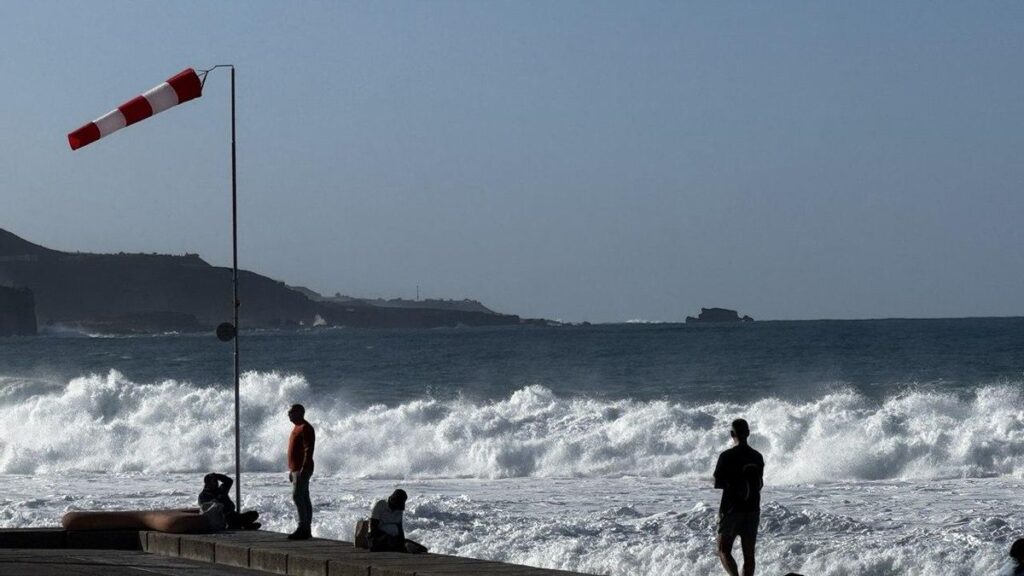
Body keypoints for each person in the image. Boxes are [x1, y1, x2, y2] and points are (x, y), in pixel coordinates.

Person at [713, 418, 764, 576]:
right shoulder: (757, 456)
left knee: (723, 550)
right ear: (748, 433)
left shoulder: (727, 456)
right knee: (749, 557)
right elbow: (759, 483)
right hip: (752, 509)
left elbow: (717, 482)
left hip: (731, 510)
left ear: (731, 434)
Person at [286, 403, 315, 540]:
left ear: (299, 413)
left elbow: (309, 449)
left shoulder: (305, 428)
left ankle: (302, 528)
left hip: (302, 469)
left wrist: (304, 467)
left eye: (291, 412)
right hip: (296, 469)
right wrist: (291, 470)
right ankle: (306, 529)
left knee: (298, 497)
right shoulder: (296, 427)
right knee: (303, 497)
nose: (288, 414)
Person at [369, 489, 428, 553]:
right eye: (396, 507)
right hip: (380, 539)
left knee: (423, 549)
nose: (397, 510)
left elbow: (399, 528)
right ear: (392, 500)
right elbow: (373, 528)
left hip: (395, 539)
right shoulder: (381, 505)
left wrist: (402, 541)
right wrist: (387, 537)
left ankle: (404, 548)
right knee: (401, 548)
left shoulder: (399, 510)